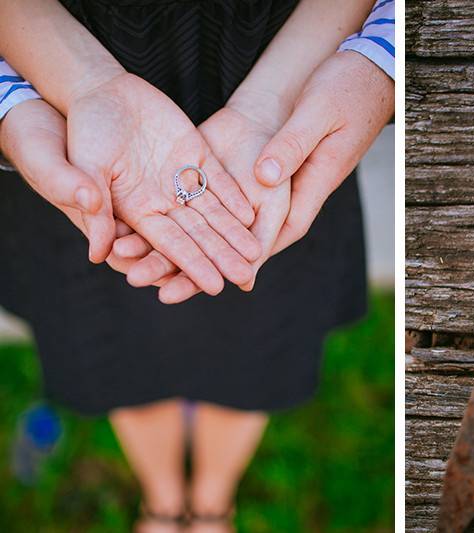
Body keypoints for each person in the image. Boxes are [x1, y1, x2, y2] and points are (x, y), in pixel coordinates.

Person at [0, 0, 394, 531]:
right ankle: (163, 499)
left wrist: (376, 63)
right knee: (120, 345)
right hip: (80, 130)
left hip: (282, 106)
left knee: (251, 345)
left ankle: (211, 501)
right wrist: (35, 96)